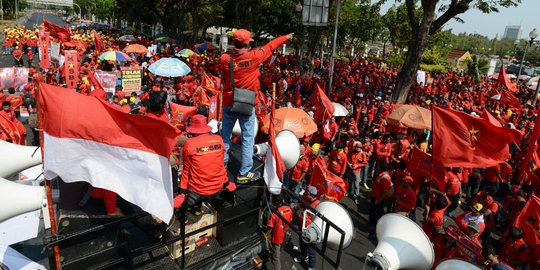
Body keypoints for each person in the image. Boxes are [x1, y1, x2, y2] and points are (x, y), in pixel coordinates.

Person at [220, 29, 293, 183]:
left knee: (225, 135)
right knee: (247, 138)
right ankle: (244, 172)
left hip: (228, 101)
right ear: (246, 43)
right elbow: (271, 46)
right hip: (246, 103)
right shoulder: (253, 57)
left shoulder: (225, 58)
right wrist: (285, 36)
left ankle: (222, 164)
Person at [173, 114, 236, 215]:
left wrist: (181, 194)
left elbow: (186, 172)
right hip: (218, 189)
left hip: (197, 192)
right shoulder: (219, 139)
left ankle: (185, 214)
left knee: (183, 184)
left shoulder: (189, 143)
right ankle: (196, 208)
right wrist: (227, 184)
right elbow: (221, 166)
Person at [294, 186, 320, 270]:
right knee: (302, 242)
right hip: (302, 227)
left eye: (307, 193)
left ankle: (311, 267)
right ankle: (303, 255)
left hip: (310, 230)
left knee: (311, 249)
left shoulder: (318, 205)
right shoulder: (308, 200)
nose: (305, 194)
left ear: (312, 195)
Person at [266, 195, 293, 270]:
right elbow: (290, 220)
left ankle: (278, 268)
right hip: (286, 234)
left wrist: (267, 235)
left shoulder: (275, 214)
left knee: (276, 257)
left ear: (277, 202)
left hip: (277, 237)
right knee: (280, 247)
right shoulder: (289, 209)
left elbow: (270, 226)